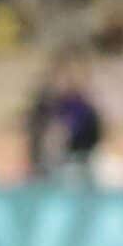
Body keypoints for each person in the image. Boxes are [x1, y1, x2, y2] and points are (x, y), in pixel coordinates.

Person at [25, 50, 104, 183]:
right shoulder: (45, 105)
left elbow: (94, 140)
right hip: (46, 168)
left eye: (75, 74)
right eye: (65, 75)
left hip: (77, 165)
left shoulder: (85, 108)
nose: (69, 79)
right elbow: (36, 140)